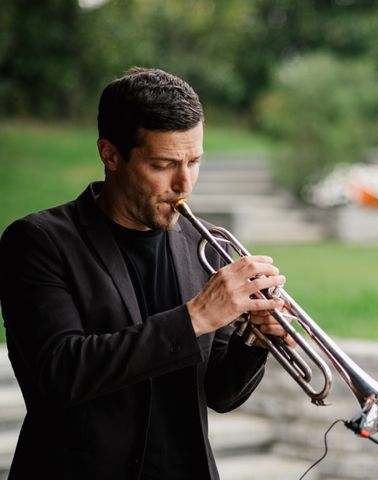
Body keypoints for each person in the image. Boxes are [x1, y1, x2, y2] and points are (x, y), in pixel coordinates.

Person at [0, 67, 292, 480]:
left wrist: (255, 339)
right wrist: (195, 318)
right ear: (111, 154)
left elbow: (221, 394)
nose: (184, 183)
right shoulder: (38, 241)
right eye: (164, 164)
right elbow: (57, 374)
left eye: (194, 161)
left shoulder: (206, 245)